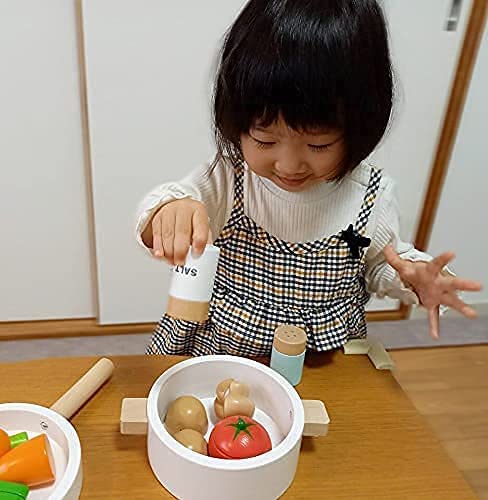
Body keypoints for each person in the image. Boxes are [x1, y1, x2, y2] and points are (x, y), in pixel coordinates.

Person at [135, 0, 482, 356]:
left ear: (359, 128)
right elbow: (161, 214)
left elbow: (381, 263)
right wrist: (170, 211)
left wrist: (416, 278)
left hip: (320, 362)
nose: (289, 165)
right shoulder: (228, 179)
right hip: (224, 352)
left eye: (318, 145)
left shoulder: (369, 197)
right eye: (265, 140)